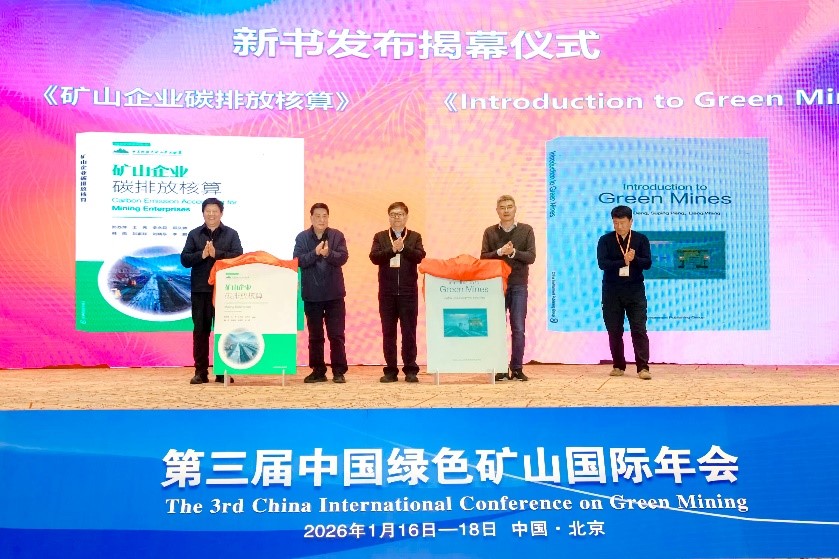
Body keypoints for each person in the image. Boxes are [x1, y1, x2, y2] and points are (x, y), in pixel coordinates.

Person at [180, 197, 243, 385]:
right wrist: (202, 255)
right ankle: (200, 372)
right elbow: (185, 259)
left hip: (224, 291)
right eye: (208, 211)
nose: (211, 214)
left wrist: (218, 255)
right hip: (201, 290)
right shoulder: (194, 234)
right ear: (203, 213)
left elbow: (239, 257)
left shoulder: (231, 234)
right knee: (200, 331)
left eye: (215, 211)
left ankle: (223, 371)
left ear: (221, 213)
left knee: (224, 332)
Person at [369, 202, 426, 383]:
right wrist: (392, 249)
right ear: (389, 217)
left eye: (400, 214)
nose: (397, 217)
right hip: (387, 293)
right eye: (393, 214)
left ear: (406, 216)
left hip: (408, 293)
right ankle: (391, 370)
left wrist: (403, 248)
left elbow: (420, 256)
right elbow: (374, 257)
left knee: (409, 332)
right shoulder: (380, 236)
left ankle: (410, 369)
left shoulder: (415, 236)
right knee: (389, 333)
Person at [480, 195, 536, 381]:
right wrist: (499, 252)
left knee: (518, 328)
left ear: (515, 209)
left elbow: (531, 257)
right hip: (496, 285)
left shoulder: (526, 230)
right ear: (497, 210)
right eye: (502, 207)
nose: (506, 210)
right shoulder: (489, 232)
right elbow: (483, 257)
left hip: (519, 284)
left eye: (509, 207)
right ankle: (501, 368)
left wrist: (513, 252)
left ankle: (517, 368)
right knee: (498, 328)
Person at [293, 203, 349, 383]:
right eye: (317, 216)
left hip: (334, 295)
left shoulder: (337, 235)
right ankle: (318, 371)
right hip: (312, 295)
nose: (321, 219)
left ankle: (338, 371)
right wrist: (315, 252)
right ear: (311, 218)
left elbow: (343, 257)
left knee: (336, 335)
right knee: (315, 336)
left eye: (324, 216)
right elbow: (298, 260)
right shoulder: (302, 238)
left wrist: (328, 253)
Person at [597, 205, 653, 380]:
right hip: (612, 292)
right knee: (614, 330)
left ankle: (643, 368)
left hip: (635, 291)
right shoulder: (605, 240)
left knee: (639, 329)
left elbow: (647, 264)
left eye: (622, 222)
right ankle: (618, 365)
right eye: (615, 222)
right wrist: (623, 260)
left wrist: (634, 259)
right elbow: (602, 264)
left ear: (630, 221)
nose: (619, 226)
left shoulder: (641, 239)